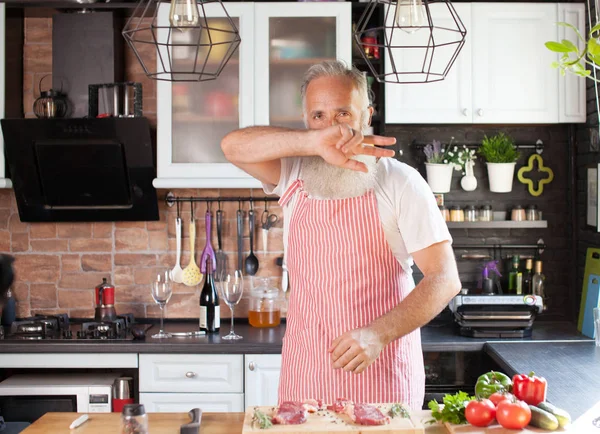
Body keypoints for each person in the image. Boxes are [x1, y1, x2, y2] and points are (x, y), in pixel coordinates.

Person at [221, 60, 461, 410]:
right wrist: (311, 142)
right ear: (305, 121)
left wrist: (378, 334)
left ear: (367, 115)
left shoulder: (400, 182)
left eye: (343, 114)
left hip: (382, 379)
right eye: (318, 116)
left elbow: (444, 279)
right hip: (306, 378)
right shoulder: (294, 173)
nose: (332, 127)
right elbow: (232, 146)